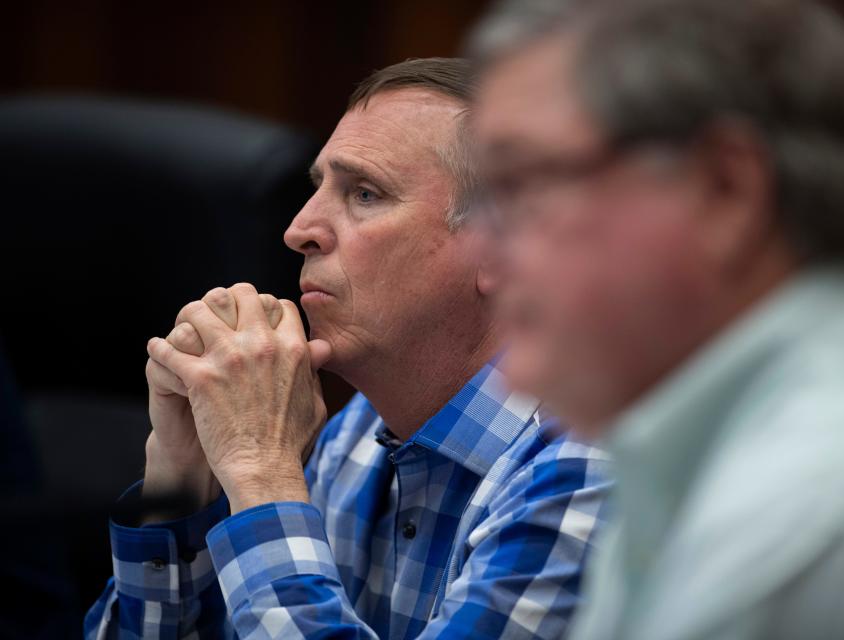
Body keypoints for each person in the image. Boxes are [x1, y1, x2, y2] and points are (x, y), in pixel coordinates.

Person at [469, 0, 844, 637]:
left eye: (522, 185)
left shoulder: (804, 517)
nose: (482, 249)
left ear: (726, 190)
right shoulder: (684, 444)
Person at [84, 57, 611, 639]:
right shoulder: (359, 434)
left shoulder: (586, 472)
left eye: (364, 193)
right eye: (319, 188)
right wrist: (182, 483)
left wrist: (261, 474)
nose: (299, 228)